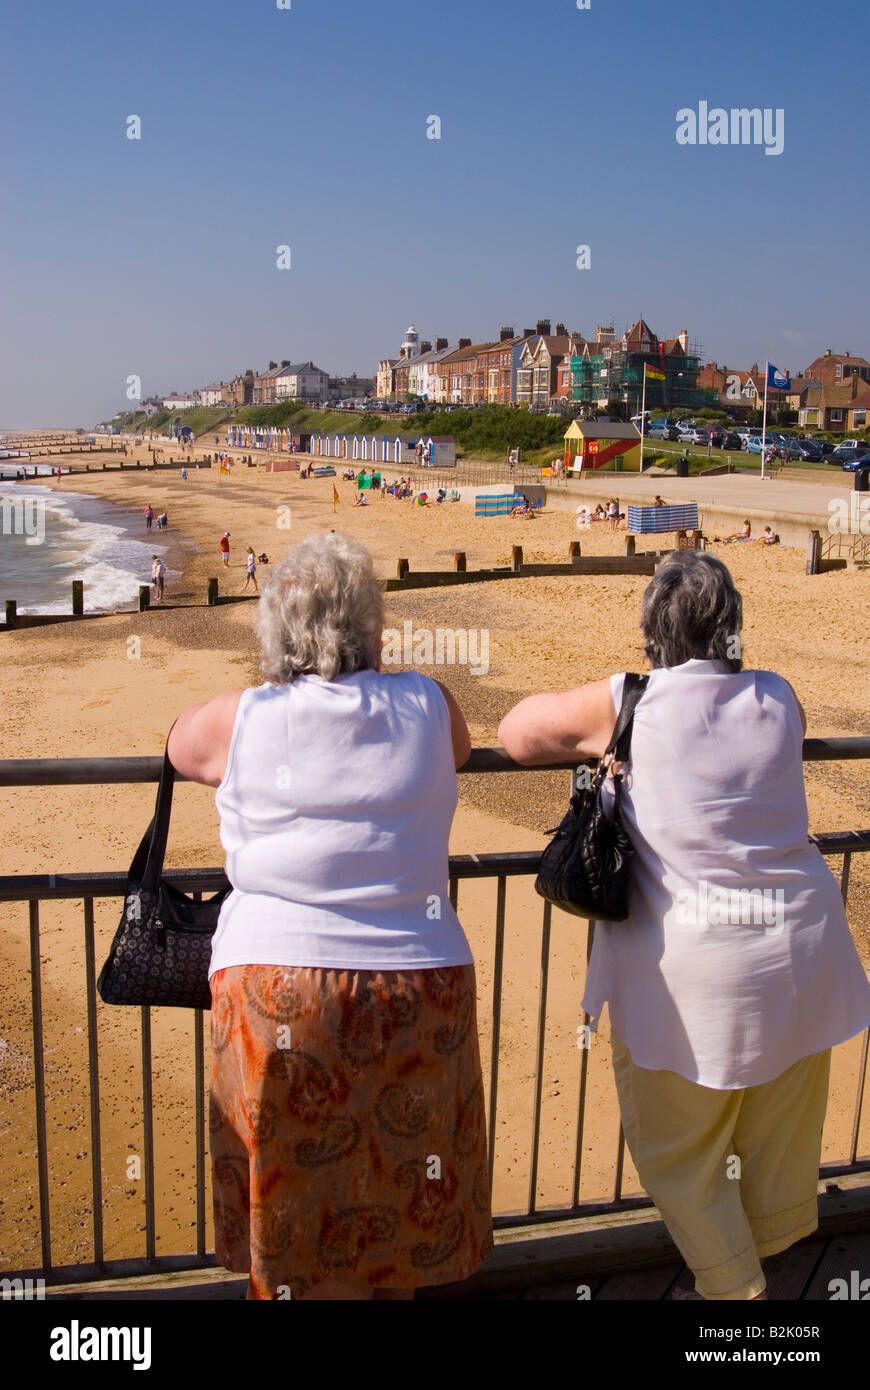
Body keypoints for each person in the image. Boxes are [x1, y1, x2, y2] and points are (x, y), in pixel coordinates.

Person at [497, 550, 870, 1302]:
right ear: (732, 626)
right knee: (770, 1131)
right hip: (802, 951)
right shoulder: (777, 694)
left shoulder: (628, 702)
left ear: (650, 633)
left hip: (698, 971)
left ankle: (739, 1296)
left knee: (677, 1149)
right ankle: (764, 1263)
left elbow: (514, 734)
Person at [166, 532, 493, 1301]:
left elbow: (180, 743)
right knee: (399, 1197)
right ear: (371, 625)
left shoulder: (241, 717)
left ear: (275, 633)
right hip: (418, 985)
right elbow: (464, 747)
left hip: (278, 989)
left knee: (291, 1198)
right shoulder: (426, 702)